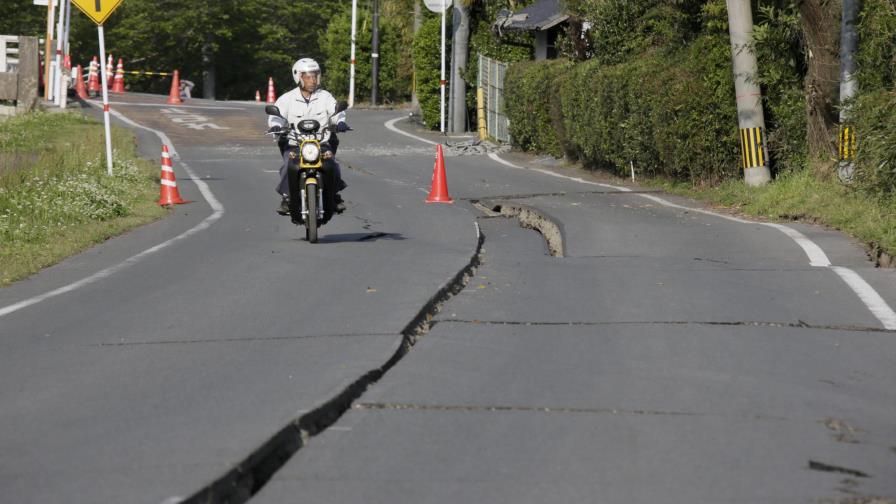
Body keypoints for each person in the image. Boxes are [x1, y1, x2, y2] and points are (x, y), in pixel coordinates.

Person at [268, 58, 348, 215]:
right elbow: (276, 114)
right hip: (295, 144)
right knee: (289, 166)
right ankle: (287, 197)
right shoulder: (287, 98)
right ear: (298, 77)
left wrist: (340, 122)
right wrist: (275, 125)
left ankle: (334, 196)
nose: (313, 80)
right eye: (308, 76)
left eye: (315, 76)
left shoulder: (325, 96)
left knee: (332, 164)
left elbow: (336, 111)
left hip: (320, 144)